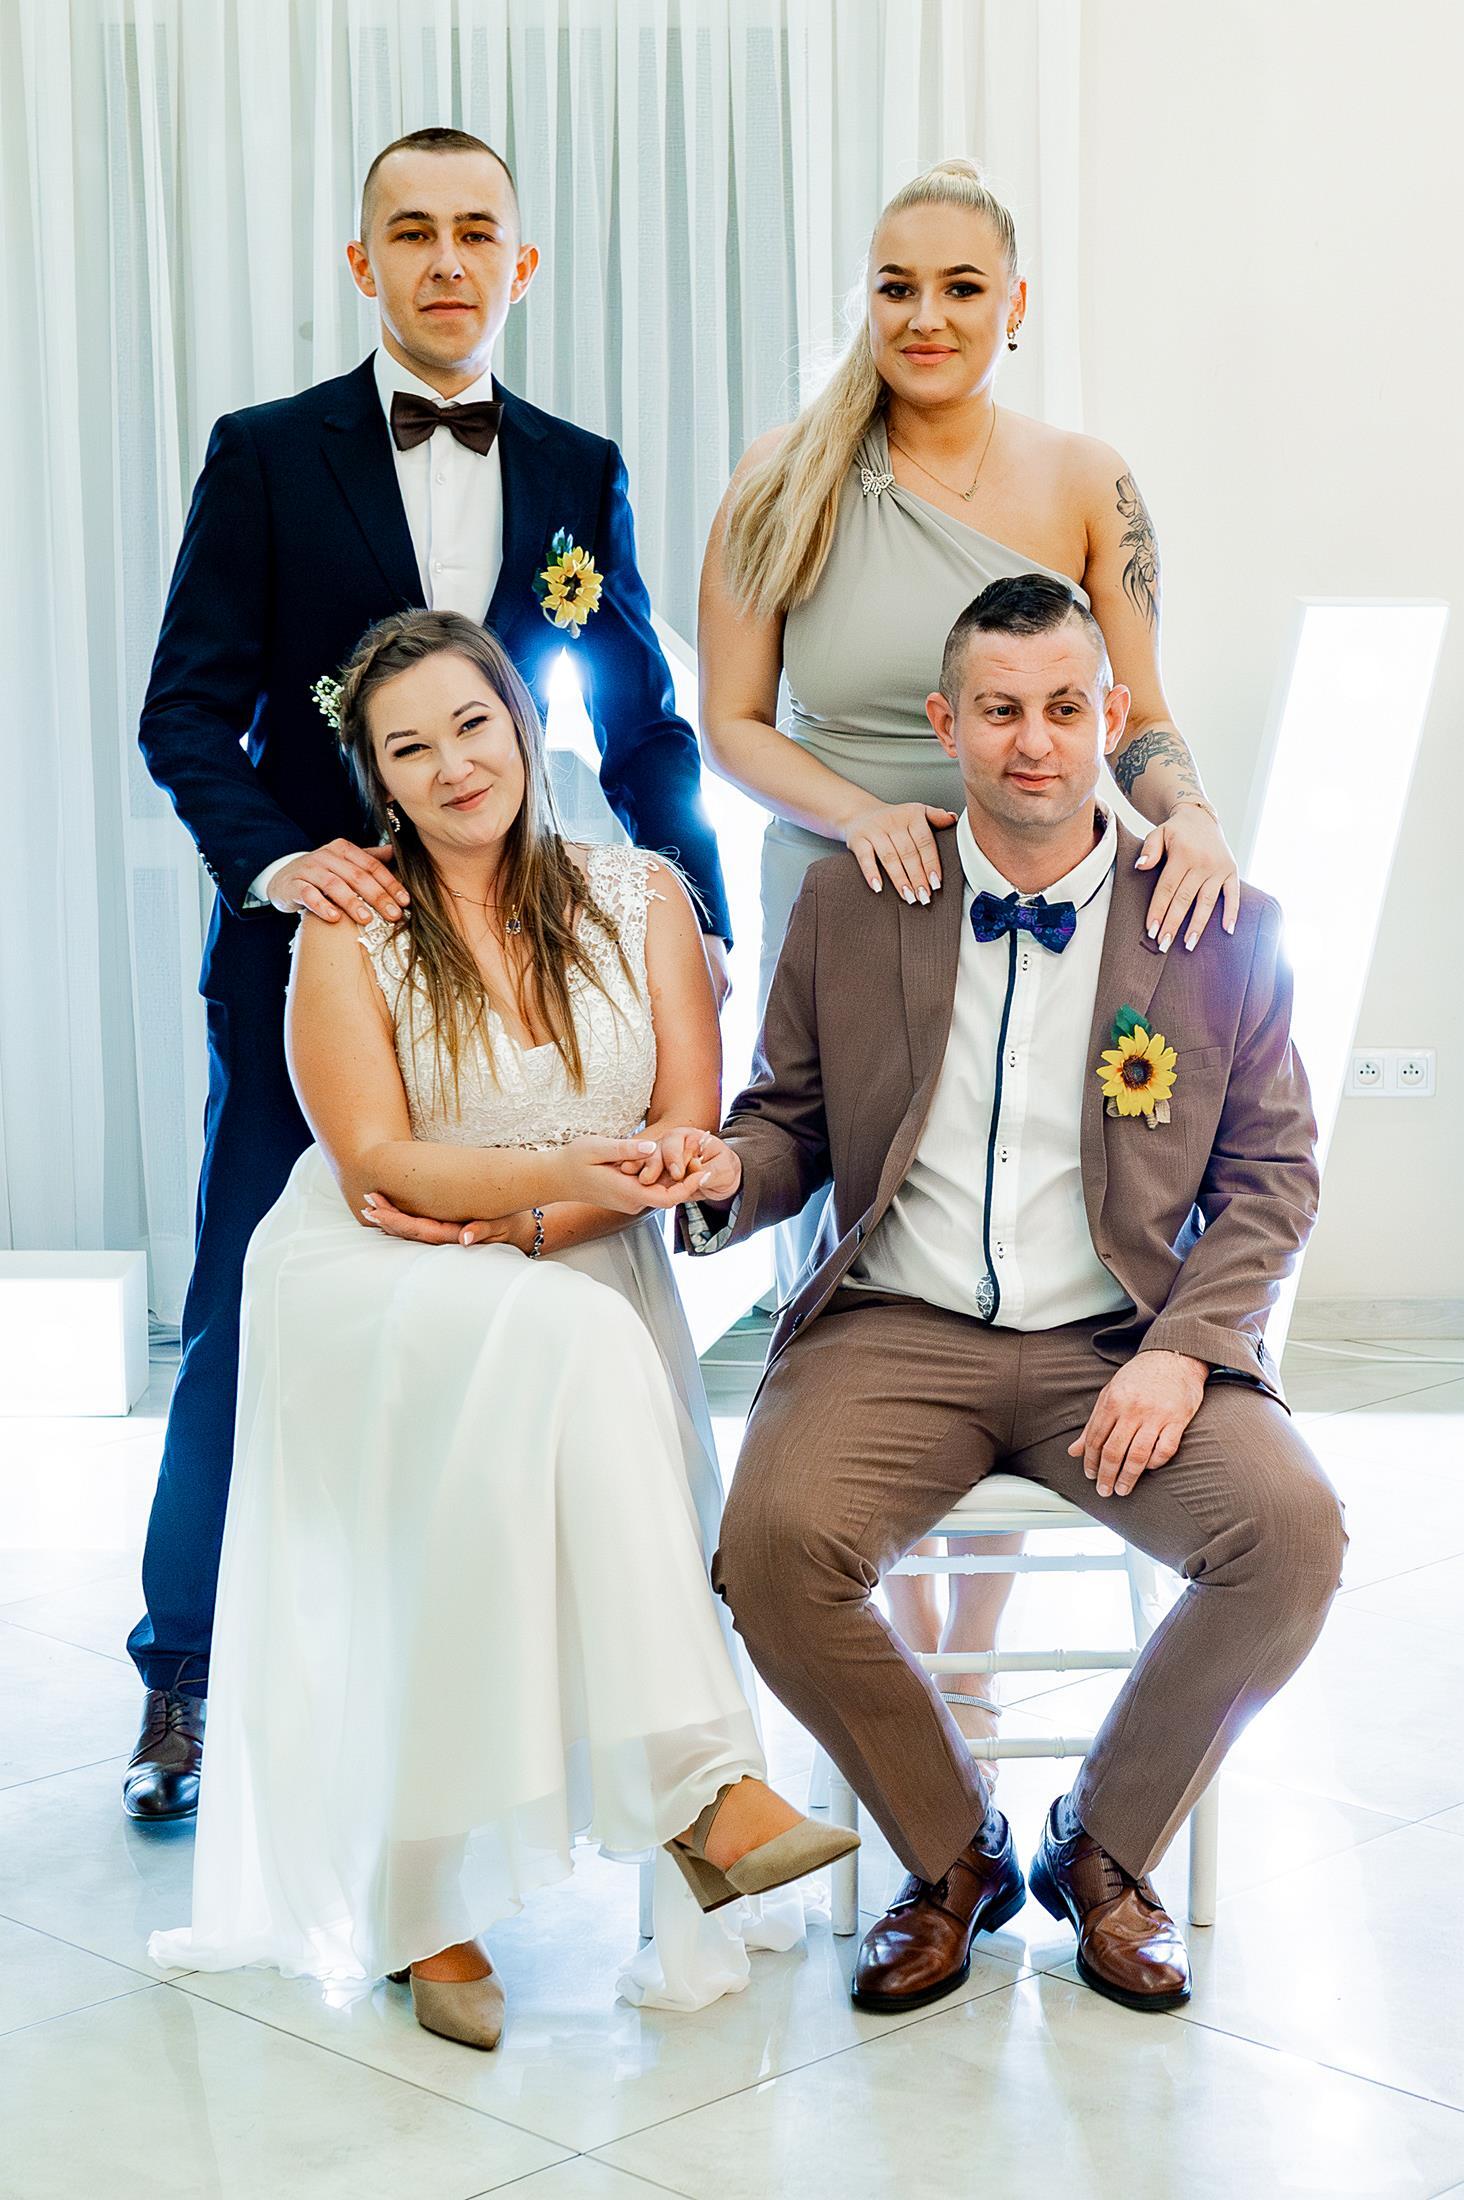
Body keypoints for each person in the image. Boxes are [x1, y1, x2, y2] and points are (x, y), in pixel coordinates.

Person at [126, 126, 733, 1819]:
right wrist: (279, 863)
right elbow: (187, 710)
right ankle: (186, 1672)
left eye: (478, 232)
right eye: (412, 231)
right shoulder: (265, 455)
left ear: (520, 266)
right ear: (365, 263)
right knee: (249, 1305)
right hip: (320, 969)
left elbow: (642, 717)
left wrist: (694, 898)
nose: (447, 260)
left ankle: (516, 1683)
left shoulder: (578, 466)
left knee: (527, 1301)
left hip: (516, 952)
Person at [146, 611, 855, 2048]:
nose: (453, 766)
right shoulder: (351, 924)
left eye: (473, 725)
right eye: (409, 748)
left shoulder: (647, 896)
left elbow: (680, 1135)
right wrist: (547, 1196)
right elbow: (378, 1163)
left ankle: (431, 1899)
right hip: (375, 1274)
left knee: (567, 1363)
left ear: (525, 727)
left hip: (566, 1260)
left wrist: (544, 1221)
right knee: (569, 1353)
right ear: (378, 779)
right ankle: (701, 1793)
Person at [654, 574, 1345, 2017]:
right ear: (945, 722)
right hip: (895, 1330)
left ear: (1111, 714)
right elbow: (790, 1122)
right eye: (1000, 710)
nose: (1034, 742)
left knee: (1290, 1536)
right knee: (770, 1549)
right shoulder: (853, 900)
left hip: (1123, 1338)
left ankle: (1105, 1844)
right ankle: (950, 1848)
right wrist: (722, 1175)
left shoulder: (1219, 923)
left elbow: (1275, 1175)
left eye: (1064, 708)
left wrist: (1187, 1349)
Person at [697, 158, 1243, 1773]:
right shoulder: (780, 477)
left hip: (1052, 882)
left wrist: (1194, 821)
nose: (924, 317)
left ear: (1015, 305)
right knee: (886, 1250)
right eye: (895, 287)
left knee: (1034, 1227)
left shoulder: (1085, 477)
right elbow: (732, 719)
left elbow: (1134, 711)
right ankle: (867, 1630)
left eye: (958, 289)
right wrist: (866, 815)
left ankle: (970, 1657)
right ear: (864, 300)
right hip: (858, 889)